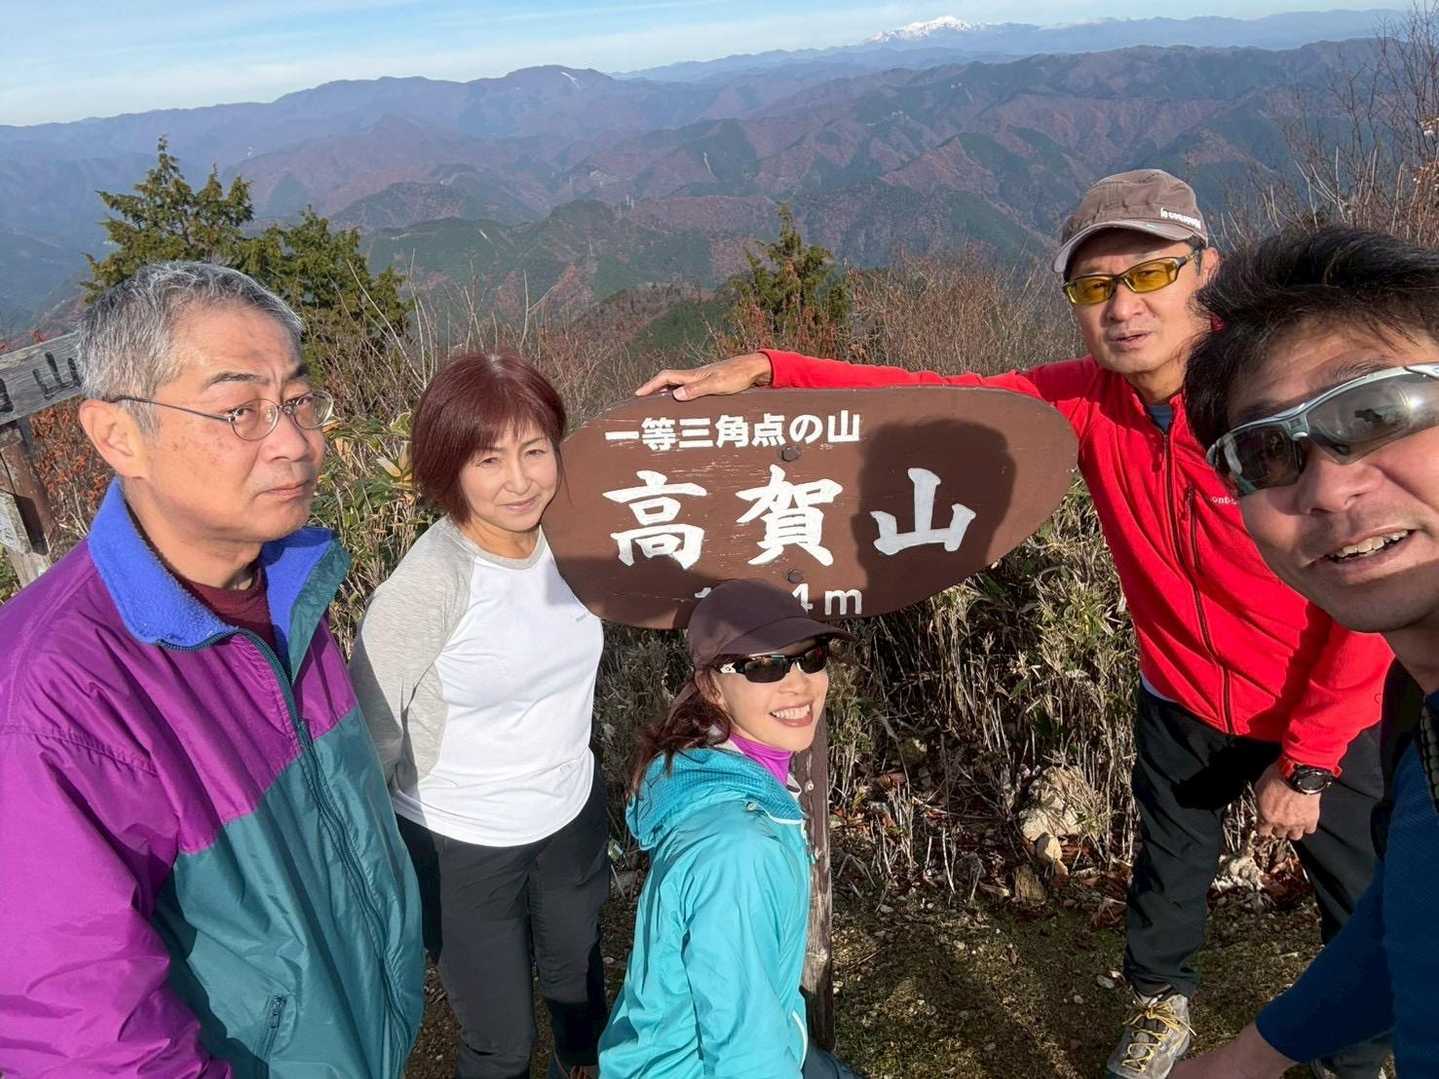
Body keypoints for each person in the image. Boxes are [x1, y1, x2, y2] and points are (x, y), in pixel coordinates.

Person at [635, 171, 1392, 1079]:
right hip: (1181, 692)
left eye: (1150, 274)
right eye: (1093, 286)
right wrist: (772, 369)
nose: (1123, 307)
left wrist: (1308, 757)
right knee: (1169, 871)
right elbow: (939, 395)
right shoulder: (1086, 400)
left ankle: (1361, 1054)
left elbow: (1364, 589)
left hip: (1325, 708)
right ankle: (1158, 1004)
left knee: (1361, 891)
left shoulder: (1273, 404)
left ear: (1206, 269)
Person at [0, 261, 423, 1076]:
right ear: (117, 435)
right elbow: (87, 1042)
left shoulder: (289, 585)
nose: (296, 443)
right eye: (240, 411)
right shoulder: (50, 701)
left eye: (298, 400)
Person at [1169, 226, 1439, 1074]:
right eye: (1265, 451)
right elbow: (1410, 911)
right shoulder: (1418, 713)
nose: (1326, 487)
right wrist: (1247, 1057)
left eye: (1375, 412)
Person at [350, 351, 610, 1079]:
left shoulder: (576, 541)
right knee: (501, 1043)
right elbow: (369, 734)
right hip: (459, 841)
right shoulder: (428, 586)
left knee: (578, 993)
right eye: (488, 459)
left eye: (534, 450)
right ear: (448, 468)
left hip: (569, 810)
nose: (519, 480)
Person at [598, 579, 859, 1079]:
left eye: (811, 657)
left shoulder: (709, 772)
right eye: (764, 666)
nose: (799, 683)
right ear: (712, 687)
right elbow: (745, 1056)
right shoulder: (738, 850)